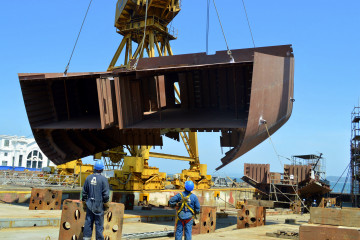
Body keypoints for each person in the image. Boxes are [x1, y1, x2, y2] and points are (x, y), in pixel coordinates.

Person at [82, 161, 110, 240]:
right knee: (99, 225)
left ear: (94, 168)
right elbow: (106, 195)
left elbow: (84, 192)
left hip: (89, 205)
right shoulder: (104, 179)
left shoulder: (88, 178)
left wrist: (84, 202)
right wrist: (106, 205)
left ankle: (86, 238)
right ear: (101, 169)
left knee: (88, 223)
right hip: (99, 206)